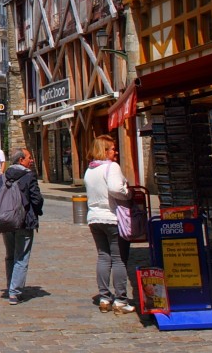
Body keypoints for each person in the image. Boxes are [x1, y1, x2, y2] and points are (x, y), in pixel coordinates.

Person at [84, 134, 136, 314]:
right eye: (113, 149)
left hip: (94, 217)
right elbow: (115, 189)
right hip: (112, 217)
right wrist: (127, 193)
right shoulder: (111, 167)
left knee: (103, 256)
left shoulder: (90, 169)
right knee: (119, 258)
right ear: (105, 150)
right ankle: (120, 300)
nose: (116, 152)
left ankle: (104, 297)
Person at [0, 148, 44, 304]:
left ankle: (11, 286)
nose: (31, 160)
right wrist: (36, 212)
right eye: (29, 157)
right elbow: (36, 199)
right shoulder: (29, 176)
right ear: (21, 160)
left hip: (6, 221)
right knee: (21, 257)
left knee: (10, 256)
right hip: (24, 222)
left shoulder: (2, 178)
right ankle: (15, 292)